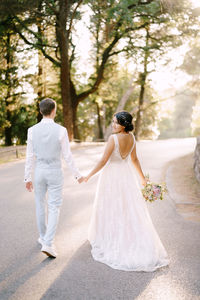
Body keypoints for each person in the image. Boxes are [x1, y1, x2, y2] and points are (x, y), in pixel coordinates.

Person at [84, 111, 169, 272]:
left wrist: (88, 175)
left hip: (111, 176)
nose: (113, 125)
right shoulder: (132, 138)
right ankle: (125, 234)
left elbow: (103, 160)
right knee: (126, 206)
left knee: (110, 204)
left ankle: (110, 235)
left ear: (123, 124)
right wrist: (142, 179)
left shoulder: (113, 139)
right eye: (113, 121)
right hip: (126, 175)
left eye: (116, 122)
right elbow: (134, 159)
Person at [24, 98, 83, 258]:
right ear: (54, 110)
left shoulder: (32, 130)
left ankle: (43, 237)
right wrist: (77, 174)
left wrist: (27, 177)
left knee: (40, 205)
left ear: (40, 111)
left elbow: (29, 156)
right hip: (55, 171)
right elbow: (67, 155)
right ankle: (48, 243)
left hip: (39, 171)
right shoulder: (61, 130)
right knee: (54, 207)